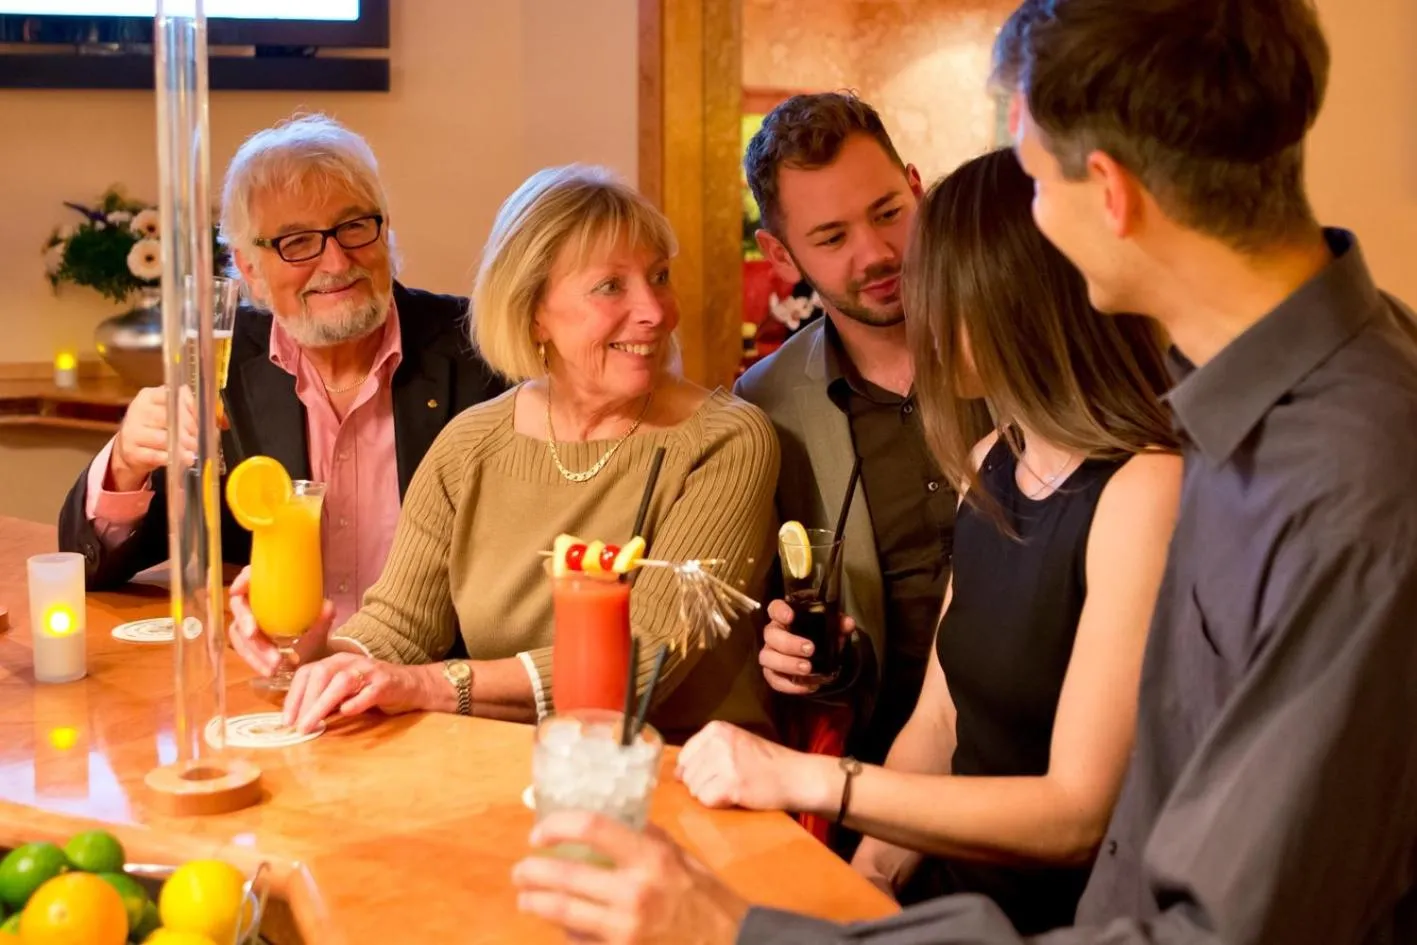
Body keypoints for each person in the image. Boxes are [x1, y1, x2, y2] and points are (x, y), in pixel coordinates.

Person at [512, 1, 1417, 943]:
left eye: (1027, 181)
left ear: (1107, 192)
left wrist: (737, 931)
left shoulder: (1346, 484)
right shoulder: (1237, 407)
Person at [678, 147, 1182, 934]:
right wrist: (862, 882)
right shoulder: (992, 460)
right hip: (948, 886)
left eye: (938, 286)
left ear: (1017, 297)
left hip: (1054, 917)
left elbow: (1074, 813)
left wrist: (814, 782)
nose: (919, 309)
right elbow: (938, 724)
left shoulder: (1144, 487)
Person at [229, 164, 779, 744]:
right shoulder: (471, 444)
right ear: (533, 310)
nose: (656, 310)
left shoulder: (726, 441)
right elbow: (399, 624)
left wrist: (431, 686)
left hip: (679, 780)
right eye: (611, 286)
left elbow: (646, 660)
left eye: (659, 276)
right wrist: (324, 658)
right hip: (502, 774)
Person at [57, 113, 505, 630]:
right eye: (296, 242)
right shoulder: (219, 360)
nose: (336, 263)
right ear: (249, 268)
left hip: (426, 682)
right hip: (275, 679)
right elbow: (92, 565)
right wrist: (126, 465)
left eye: (355, 227)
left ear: (385, 231)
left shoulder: (477, 348)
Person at [735, 92, 984, 777]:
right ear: (779, 255)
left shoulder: (1018, 344)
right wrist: (803, 662)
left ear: (915, 190)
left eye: (887, 215)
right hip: (878, 776)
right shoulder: (763, 411)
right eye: (832, 237)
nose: (877, 253)